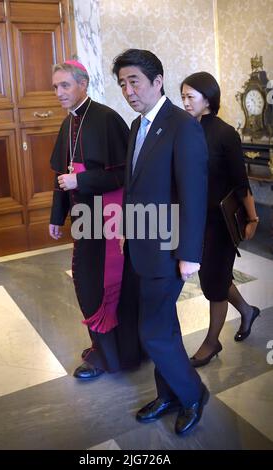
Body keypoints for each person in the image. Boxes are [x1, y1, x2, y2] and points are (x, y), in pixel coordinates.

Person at [112, 49, 209, 435]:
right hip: (143, 246)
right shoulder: (138, 126)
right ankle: (168, 394)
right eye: (122, 83)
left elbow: (194, 194)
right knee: (162, 326)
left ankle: (192, 394)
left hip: (169, 251)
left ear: (157, 80)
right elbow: (136, 189)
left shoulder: (183, 126)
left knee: (151, 330)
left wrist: (189, 254)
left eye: (134, 80)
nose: (128, 90)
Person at [49, 59, 143, 380]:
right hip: (82, 220)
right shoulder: (67, 124)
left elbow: (122, 173)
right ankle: (105, 352)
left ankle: (116, 355)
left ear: (83, 84)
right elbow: (61, 176)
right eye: (55, 86)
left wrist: (82, 181)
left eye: (65, 85)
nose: (58, 92)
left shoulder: (106, 119)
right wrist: (55, 215)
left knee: (104, 289)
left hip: (107, 220)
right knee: (87, 287)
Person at [180, 72, 260, 368]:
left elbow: (241, 182)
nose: (186, 102)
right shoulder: (186, 130)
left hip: (221, 222)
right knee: (216, 277)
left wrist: (252, 218)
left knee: (213, 279)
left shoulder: (226, 133)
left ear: (208, 98)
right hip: (195, 220)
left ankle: (212, 342)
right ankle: (248, 312)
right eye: (183, 96)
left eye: (191, 96)